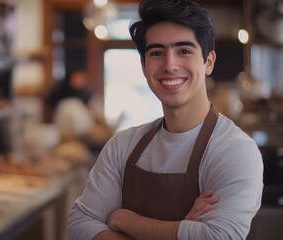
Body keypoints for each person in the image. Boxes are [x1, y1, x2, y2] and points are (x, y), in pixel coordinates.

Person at [68, 0, 264, 239]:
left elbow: (218, 237)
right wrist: (180, 230)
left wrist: (125, 220)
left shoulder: (234, 150)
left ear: (209, 61)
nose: (170, 65)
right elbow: (79, 226)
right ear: (143, 65)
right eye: (157, 53)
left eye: (184, 51)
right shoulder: (122, 146)